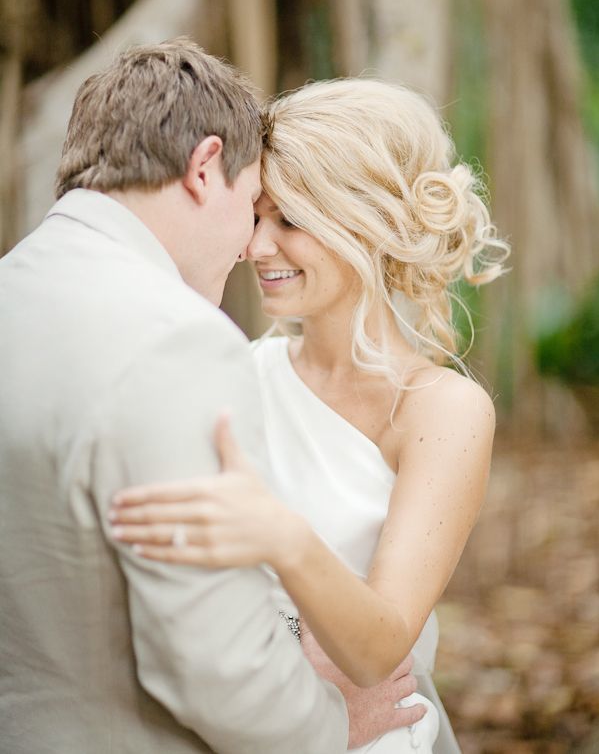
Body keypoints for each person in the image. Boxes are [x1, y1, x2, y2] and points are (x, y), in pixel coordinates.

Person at [0, 47, 423, 754]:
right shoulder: (179, 342)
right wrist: (329, 725)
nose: (248, 246)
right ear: (204, 168)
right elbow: (215, 663)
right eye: (252, 204)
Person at [109, 78, 510, 753]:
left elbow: (382, 646)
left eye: (290, 221)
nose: (257, 248)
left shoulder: (443, 410)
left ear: (367, 224)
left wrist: (280, 537)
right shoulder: (235, 372)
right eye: (257, 218)